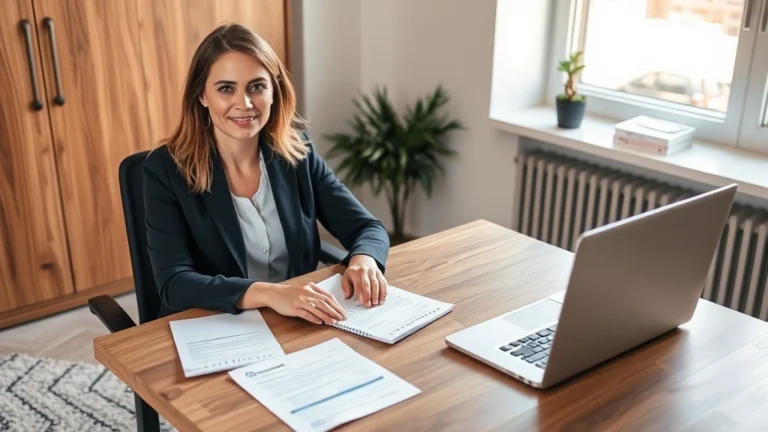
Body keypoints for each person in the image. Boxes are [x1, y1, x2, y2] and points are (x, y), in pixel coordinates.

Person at [142, 23, 390, 325]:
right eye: (225, 89)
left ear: (274, 91)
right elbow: (175, 284)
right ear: (202, 96)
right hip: (214, 325)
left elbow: (367, 227)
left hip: (295, 322)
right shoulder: (164, 170)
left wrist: (363, 260)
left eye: (256, 86)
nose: (244, 104)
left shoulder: (297, 153)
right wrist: (271, 294)